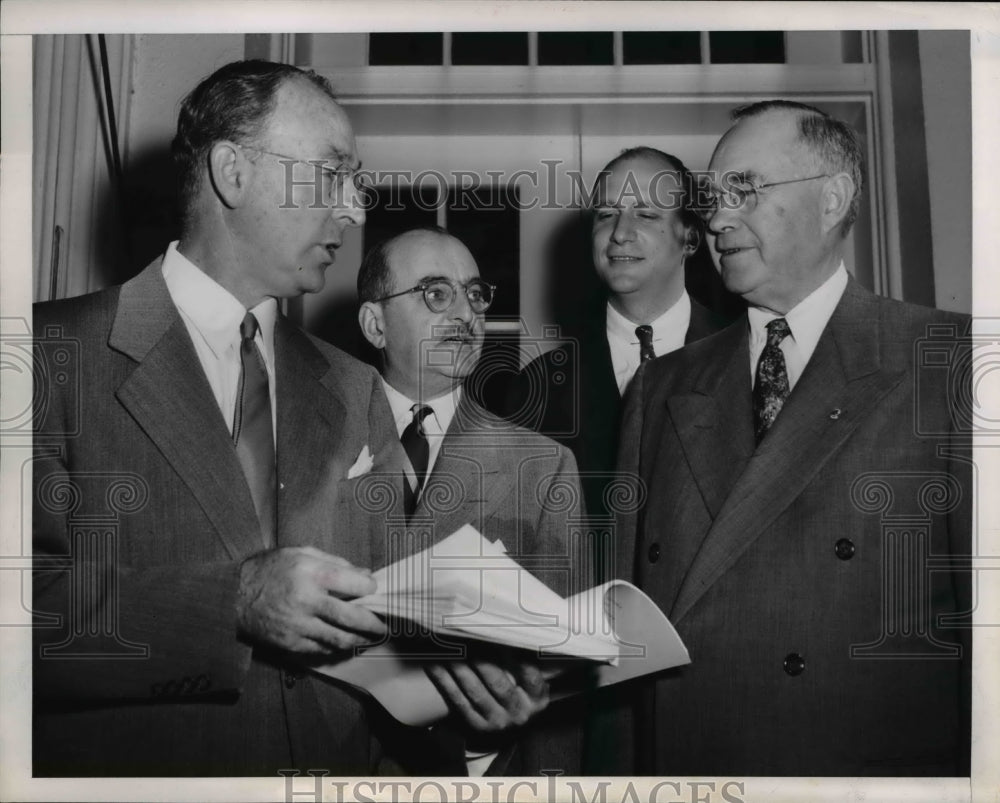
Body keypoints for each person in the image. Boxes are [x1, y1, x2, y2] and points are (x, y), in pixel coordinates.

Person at [31, 60, 526, 777]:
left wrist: (471, 708)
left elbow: (386, 637)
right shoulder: (47, 355)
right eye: (332, 176)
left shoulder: (356, 387)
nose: (355, 208)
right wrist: (229, 602)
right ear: (232, 172)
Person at [602, 100, 971, 776]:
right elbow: (624, 636)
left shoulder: (948, 358)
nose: (715, 216)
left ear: (833, 199)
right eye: (714, 196)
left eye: (744, 188)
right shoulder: (659, 388)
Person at [356, 226, 587, 775]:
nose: (466, 314)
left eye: (475, 294)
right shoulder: (307, 447)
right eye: (437, 293)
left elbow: (566, 674)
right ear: (375, 323)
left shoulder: (545, 466)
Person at [506, 148, 726, 524]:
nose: (620, 234)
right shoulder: (538, 388)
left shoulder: (747, 356)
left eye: (645, 214)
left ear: (690, 237)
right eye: (606, 215)